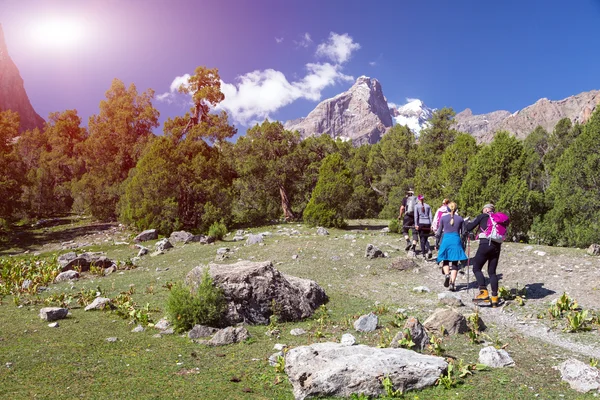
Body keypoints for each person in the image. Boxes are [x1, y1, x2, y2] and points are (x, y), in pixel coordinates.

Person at [465, 203, 502, 307]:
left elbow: (469, 227)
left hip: (485, 243)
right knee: (492, 272)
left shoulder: (483, 216)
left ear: (486, 209)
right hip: (497, 246)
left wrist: (467, 224)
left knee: (476, 268)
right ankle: (494, 298)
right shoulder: (497, 218)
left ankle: (483, 292)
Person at [436, 202, 468, 291]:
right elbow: (464, 232)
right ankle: (452, 283)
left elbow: (438, 232)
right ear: (456, 209)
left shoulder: (443, 218)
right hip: (456, 239)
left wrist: (436, 243)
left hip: (446, 240)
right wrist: (462, 242)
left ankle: (447, 275)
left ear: (447, 209)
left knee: (445, 260)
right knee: (455, 263)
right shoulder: (460, 219)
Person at [414, 194, 433, 259]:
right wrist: (431, 224)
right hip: (427, 223)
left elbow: (416, 216)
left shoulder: (416, 206)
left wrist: (416, 224)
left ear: (418, 199)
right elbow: (430, 216)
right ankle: (427, 250)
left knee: (421, 239)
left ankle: (423, 253)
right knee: (425, 238)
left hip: (421, 223)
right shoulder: (428, 206)